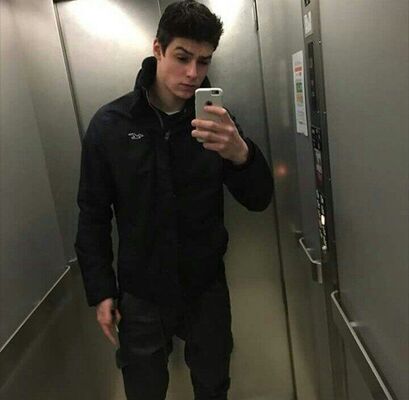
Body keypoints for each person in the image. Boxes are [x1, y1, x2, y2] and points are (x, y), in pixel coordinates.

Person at [74, 1, 273, 399]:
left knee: (213, 386)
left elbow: (259, 200)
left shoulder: (218, 124)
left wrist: (242, 155)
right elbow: (92, 214)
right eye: (182, 57)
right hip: (141, 291)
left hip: (204, 287)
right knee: (144, 389)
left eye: (204, 61)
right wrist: (101, 290)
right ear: (158, 49)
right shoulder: (111, 125)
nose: (193, 73)